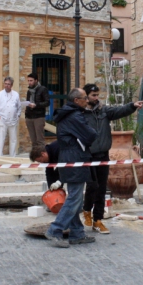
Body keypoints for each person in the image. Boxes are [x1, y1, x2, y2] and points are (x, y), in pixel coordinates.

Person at [82, 83, 143, 234]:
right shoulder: (81, 114)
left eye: (97, 95)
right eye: (93, 96)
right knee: (92, 186)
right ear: (86, 97)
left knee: (102, 188)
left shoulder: (103, 111)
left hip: (103, 154)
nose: (96, 98)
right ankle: (86, 210)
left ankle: (98, 220)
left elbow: (119, 111)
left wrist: (132, 106)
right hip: (88, 155)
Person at [45, 88, 97, 248]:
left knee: (75, 198)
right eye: (84, 98)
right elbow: (91, 135)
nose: (87, 101)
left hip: (69, 158)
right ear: (76, 101)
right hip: (75, 159)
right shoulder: (75, 116)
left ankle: (77, 233)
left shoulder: (67, 115)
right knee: (75, 198)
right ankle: (55, 229)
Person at [0, 76, 21, 157]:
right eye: (5, 84)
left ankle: (13, 156)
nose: (6, 85)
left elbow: (19, 107)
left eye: (8, 84)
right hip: (3, 119)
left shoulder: (16, 94)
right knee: (0, 139)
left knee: (13, 139)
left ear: (11, 85)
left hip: (13, 120)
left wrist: (17, 116)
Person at [25, 73, 49, 149]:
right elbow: (28, 101)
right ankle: (35, 157)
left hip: (39, 116)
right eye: (28, 80)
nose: (29, 82)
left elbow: (47, 102)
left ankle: (42, 156)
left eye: (31, 80)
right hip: (29, 116)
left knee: (40, 140)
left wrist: (36, 105)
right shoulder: (29, 91)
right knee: (33, 140)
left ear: (36, 80)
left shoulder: (42, 89)